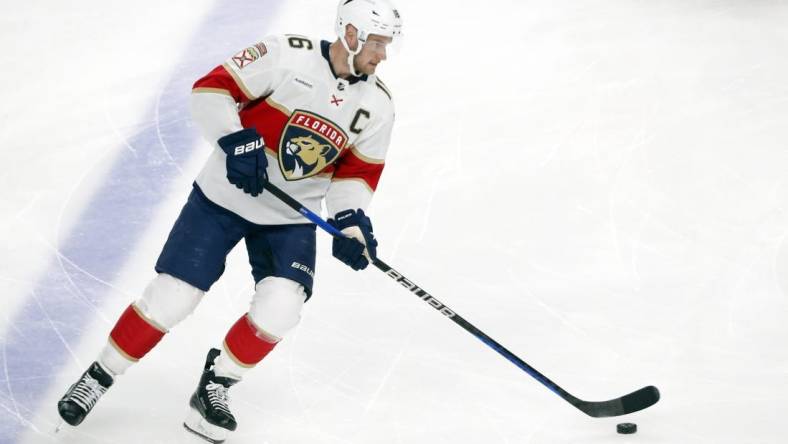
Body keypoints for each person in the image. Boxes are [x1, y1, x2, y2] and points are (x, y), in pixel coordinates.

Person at [56, 0, 402, 442]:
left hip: (288, 219)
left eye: (386, 45)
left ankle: (215, 386)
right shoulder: (286, 54)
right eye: (376, 43)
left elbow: (356, 174)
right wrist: (236, 140)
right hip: (222, 199)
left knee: (281, 310)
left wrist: (351, 224)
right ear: (350, 34)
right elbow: (210, 90)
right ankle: (100, 375)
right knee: (172, 297)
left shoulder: (378, 105)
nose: (382, 55)